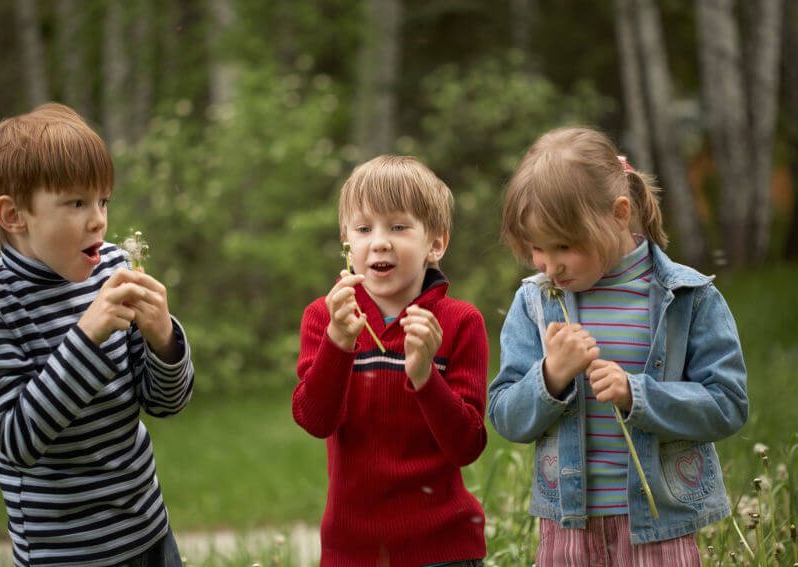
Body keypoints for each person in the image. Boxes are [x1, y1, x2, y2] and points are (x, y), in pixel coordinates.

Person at [488, 127, 748, 566]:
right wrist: (551, 376)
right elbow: (505, 416)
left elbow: (728, 405)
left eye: (565, 246)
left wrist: (637, 394)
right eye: (536, 248)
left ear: (618, 214)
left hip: (660, 527)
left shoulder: (687, 296)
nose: (550, 265)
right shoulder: (536, 303)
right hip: (568, 527)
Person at [0, 103, 195, 567]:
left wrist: (164, 338)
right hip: (64, 551)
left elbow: (167, 403)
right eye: (76, 203)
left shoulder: (114, 269)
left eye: (103, 201)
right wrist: (87, 336)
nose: (99, 219)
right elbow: (18, 439)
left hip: (149, 532)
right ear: (14, 215)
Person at [292, 155, 488, 566]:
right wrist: (338, 344)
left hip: (444, 546)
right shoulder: (325, 318)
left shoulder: (460, 323)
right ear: (347, 240)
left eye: (398, 227)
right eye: (364, 229)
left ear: (435, 243)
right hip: (353, 549)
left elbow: (467, 445)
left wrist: (423, 376)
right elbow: (314, 419)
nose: (379, 241)